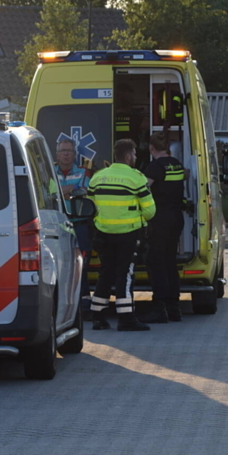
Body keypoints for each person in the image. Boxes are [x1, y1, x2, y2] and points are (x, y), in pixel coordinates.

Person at [87, 139, 155, 331]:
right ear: (127, 156)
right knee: (125, 274)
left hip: (103, 233)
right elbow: (150, 211)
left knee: (105, 273)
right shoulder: (136, 178)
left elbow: (91, 205)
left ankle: (98, 317)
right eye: (134, 154)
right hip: (128, 233)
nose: (135, 157)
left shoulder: (98, 177)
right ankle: (126, 319)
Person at [140, 132, 186, 323]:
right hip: (176, 218)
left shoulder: (155, 167)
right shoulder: (176, 164)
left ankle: (159, 307)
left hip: (160, 219)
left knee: (155, 262)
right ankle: (174, 307)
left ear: (151, 148)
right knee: (170, 262)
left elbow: (143, 189)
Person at [55, 138, 92, 311]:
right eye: (63, 150)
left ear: (75, 154)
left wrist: (61, 192)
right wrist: (70, 189)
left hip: (79, 224)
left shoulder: (83, 172)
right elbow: (48, 193)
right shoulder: (48, 171)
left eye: (69, 150)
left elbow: (83, 192)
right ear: (57, 153)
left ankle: (84, 303)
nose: (66, 154)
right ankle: (63, 303)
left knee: (81, 265)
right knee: (59, 265)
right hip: (56, 224)